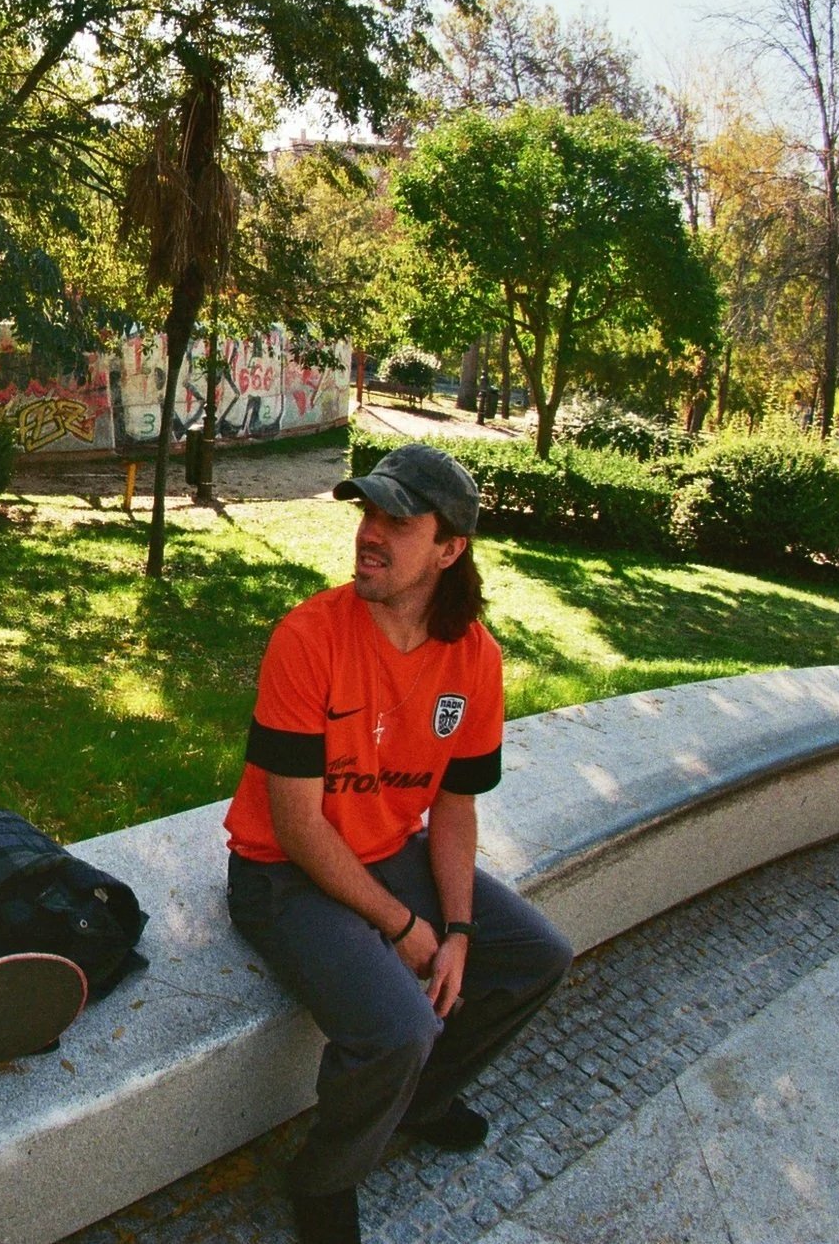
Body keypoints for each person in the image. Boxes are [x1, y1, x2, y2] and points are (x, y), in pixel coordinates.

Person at [221, 442, 573, 1244]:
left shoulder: (474, 658)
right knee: (398, 1028)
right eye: (368, 514)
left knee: (535, 956)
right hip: (280, 873)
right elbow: (296, 825)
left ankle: (418, 1101)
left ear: (448, 549)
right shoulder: (308, 637)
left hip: (389, 855)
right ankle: (323, 1176)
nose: (369, 534)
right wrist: (404, 925)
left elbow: (453, 806)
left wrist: (458, 928)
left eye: (397, 521)